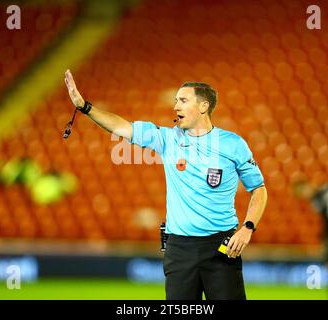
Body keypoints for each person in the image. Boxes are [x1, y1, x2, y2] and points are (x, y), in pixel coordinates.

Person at [64, 69, 267, 300]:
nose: (175, 107)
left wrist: (248, 227)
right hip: (179, 249)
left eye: (183, 100)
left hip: (221, 247)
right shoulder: (168, 139)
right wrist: (84, 107)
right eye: (175, 101)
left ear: (203, 106)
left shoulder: (233, 144)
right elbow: (122, 127)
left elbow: (258, 189)